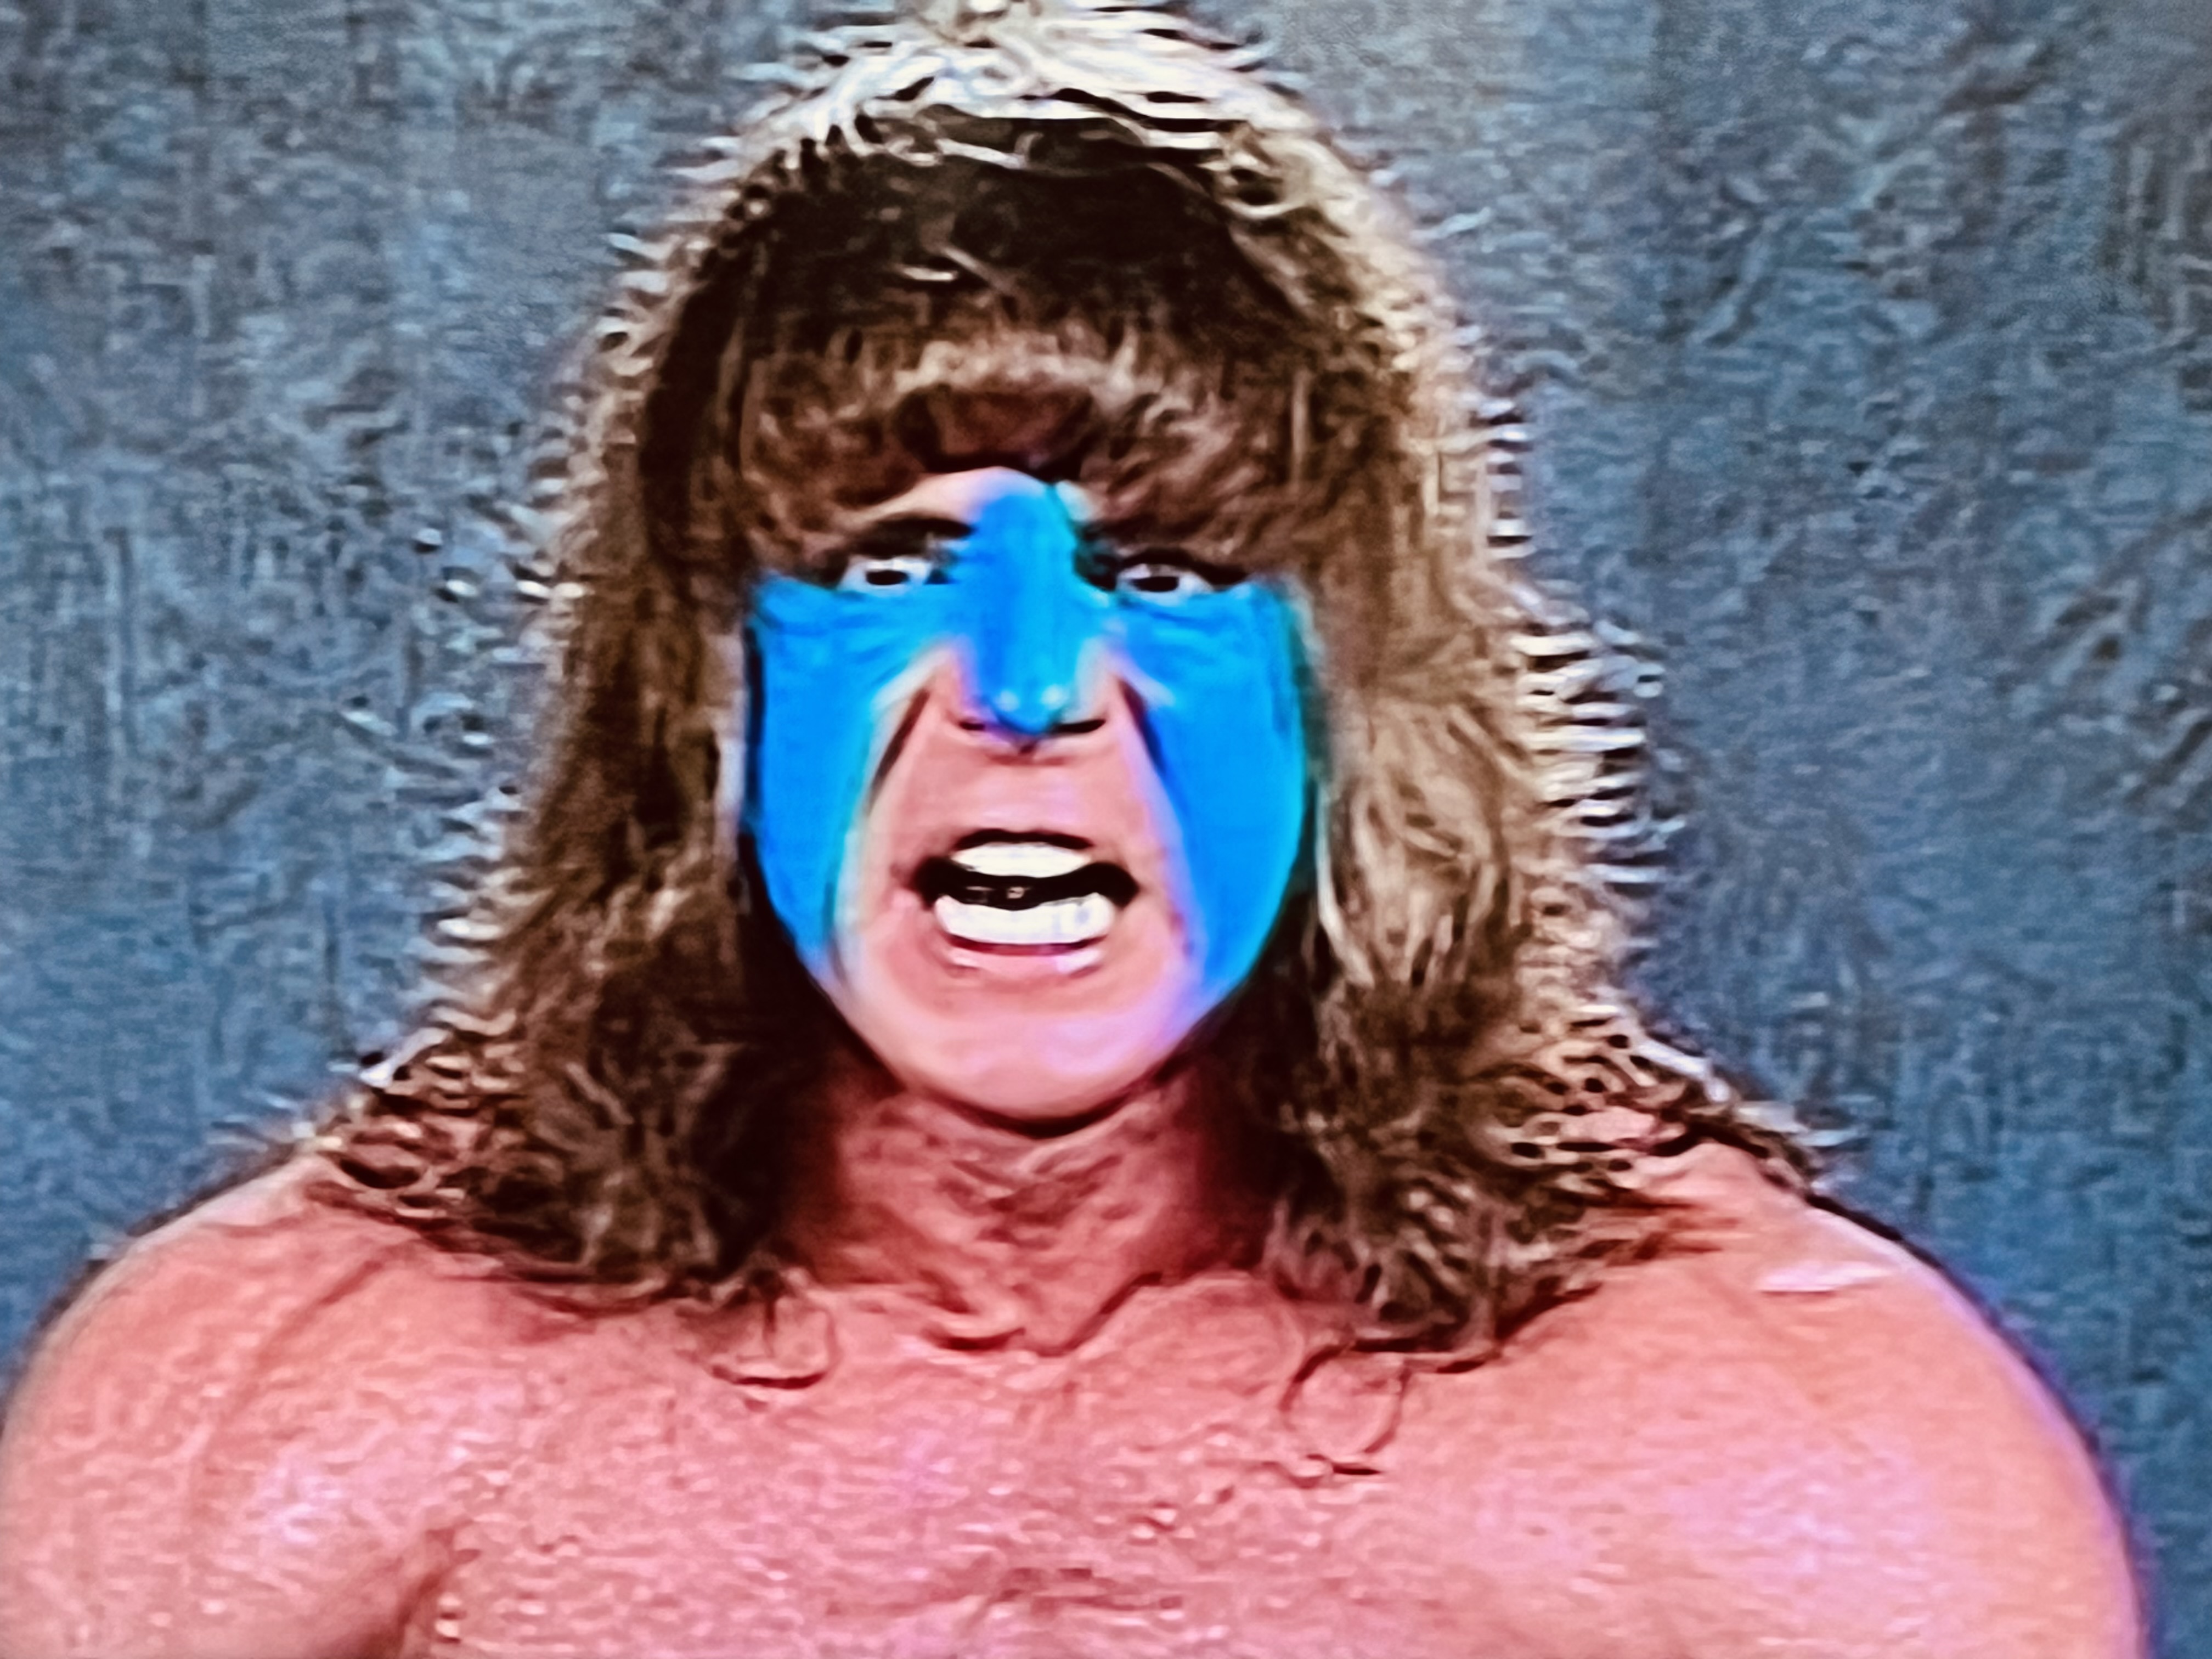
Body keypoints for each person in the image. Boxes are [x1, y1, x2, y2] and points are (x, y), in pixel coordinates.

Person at [0, 2, 2142, 1655]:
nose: (1027, 687)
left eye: (1167, 572)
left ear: (1354, 686)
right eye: (890, 562)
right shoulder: (275, 1416)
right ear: (702, 679)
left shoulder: (1803, 1463)